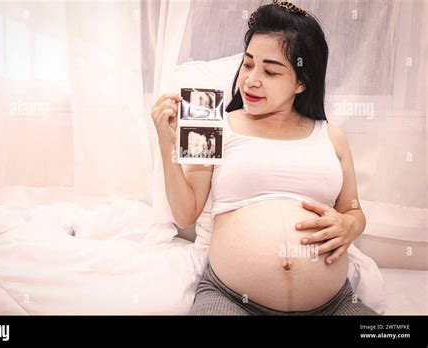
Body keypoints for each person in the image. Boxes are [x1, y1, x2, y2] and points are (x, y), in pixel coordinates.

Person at [150, 1, 377, 315]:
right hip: (229, 298)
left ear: (302, 81)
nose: (251, 80)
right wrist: (167, 142)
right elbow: (185, 214)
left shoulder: (331, 137)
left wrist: (350, 225)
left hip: (333, 305)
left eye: (270, 71)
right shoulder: (209, 121)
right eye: (247, 64)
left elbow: (353, 211)